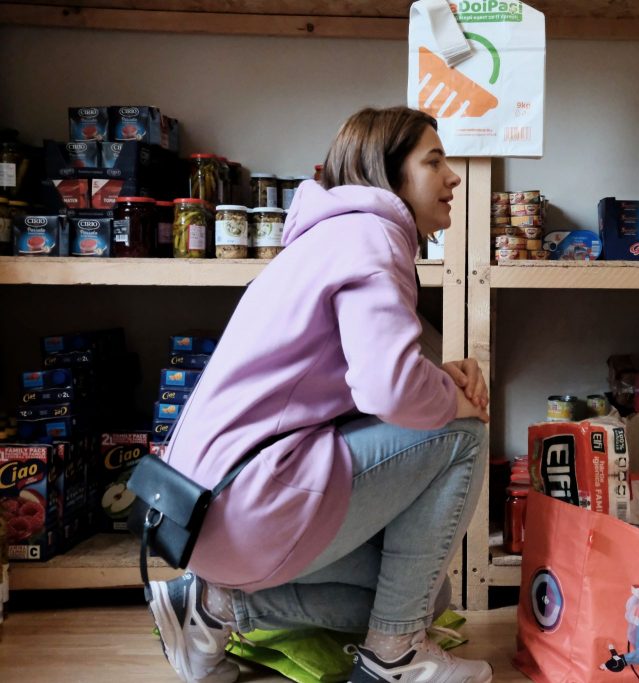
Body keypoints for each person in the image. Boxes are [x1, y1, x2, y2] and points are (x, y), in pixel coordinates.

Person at [146, 106, 493, 683]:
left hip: (199, 512)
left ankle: (212, 607)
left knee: (427, 595)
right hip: (247, 501)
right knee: (464, 433)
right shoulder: (374, 238)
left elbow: (354, 383)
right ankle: (396, 655)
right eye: (434, 161)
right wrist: (454, 398)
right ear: (389, 173)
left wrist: (434, 380)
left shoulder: (330, 237)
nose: (452, 177)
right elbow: (389, 389)